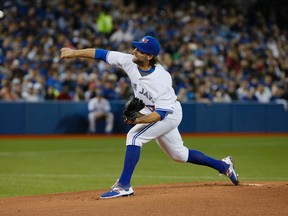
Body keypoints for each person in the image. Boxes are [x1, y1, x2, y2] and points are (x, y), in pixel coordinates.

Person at [60, 35, 239, 199]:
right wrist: (73, 53)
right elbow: (102, 54)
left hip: (168, 114)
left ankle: (124, 185)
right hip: (151, 110)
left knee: (134, 136)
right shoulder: (129, 61)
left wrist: (136, 120)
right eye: (136, 48)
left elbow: (160, 115)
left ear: (149, 57)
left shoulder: (161, 79)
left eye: (139, 50)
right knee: (179, 154)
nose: (134, 51)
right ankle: (224, 166)